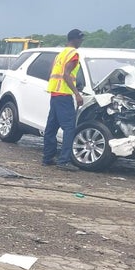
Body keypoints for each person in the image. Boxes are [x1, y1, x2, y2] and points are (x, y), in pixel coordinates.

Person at [43, 28, 84, 171]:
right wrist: (77, 94)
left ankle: (47, 158)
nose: (81, 42)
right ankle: (64, 161)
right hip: (64, 95)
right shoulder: (74, 54)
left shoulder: (61, 54)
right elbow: (66, 75)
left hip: (55, 94)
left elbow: (51, 72)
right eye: (80, 39)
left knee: (51, 127)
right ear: (75, 39)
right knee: (69, 128)